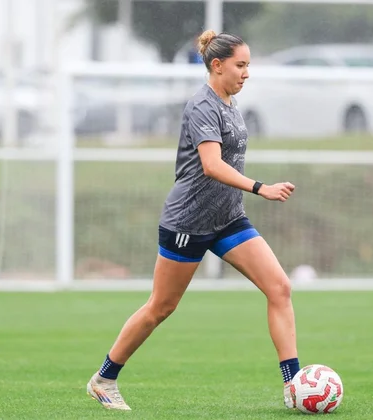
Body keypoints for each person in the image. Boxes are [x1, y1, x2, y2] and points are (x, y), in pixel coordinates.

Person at [86, 29, 301, 411]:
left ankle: (294, 385)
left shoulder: (230, 103)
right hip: (188, 223)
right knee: (161, 307)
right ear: (217, 65)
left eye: (248, 65)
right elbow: (211, 165)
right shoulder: (202, 105)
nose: (246, 73)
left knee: (280, 288)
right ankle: (103, 379)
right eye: (240, 65)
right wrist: (260, 187)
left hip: (228, 219)